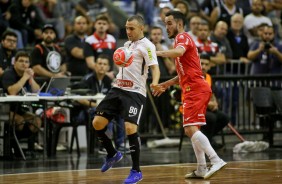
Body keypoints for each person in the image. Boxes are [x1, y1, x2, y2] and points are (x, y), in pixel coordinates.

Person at [153, 10, 226, 179]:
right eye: (165, 24)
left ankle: (215, 160)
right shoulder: (181, 43)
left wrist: (155, 53)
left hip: (195, 89)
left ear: (179, 23)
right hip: (193, 88)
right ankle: (201, 169)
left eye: (169, 23)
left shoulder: (182, 37)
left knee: (190, 128)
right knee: (192, 130)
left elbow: (178, 53)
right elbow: (182, 75)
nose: (167, 27)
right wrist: (165, 84)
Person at [92, 15, 160, 183]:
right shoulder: (126, 45)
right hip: (117, 89)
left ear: (141, 28)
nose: (128, 31)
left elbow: (155, 68)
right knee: (97, 123)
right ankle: (112, 154)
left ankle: (136, 171)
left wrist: (156, 83)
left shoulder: (147, 46)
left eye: (131, 28)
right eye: (126, 28)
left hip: (134, 92)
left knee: (130, 127)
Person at [1, 51, 42, 155]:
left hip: (17, 108)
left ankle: (14, 143)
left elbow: (37, 91)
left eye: (26, 62)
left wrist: (31, 78)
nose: (24, 64)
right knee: (20, 120)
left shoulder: (27, 75)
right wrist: (25, 77)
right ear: (15, 63)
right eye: (21, 61)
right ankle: (10, 145)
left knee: (36, 121)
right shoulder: (8, 74)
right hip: (3, 109)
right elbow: (12, 91)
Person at [199, 53, 230, 150]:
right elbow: (195, 98)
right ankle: (209, 143)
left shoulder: (208, 77)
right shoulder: (192, 76)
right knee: (211, 118)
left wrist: (215, 103)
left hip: (206, 108)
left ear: (210, 66)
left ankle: (207, 139)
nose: (204, 67)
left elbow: (212, 94)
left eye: (206, 64)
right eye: (202, 63)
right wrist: (209, 104)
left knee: (224, 118)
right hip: (193, 109)